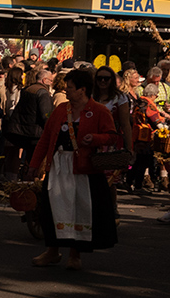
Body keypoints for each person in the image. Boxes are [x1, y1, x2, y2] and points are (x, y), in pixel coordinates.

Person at [29, 69, 119, 270]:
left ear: (82, 90)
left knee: (80, 210)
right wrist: (34, 165)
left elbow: (112, 136)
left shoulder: (99, 111)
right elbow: (45, 139)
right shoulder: (61, 110)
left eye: (70, 87)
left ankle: (75, 255)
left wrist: (95, 138)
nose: (66, 91)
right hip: (59, 168)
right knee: (53, 208)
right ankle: (52, 251)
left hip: (84, 170)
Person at [4, 68, 53, 179]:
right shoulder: (43, 93)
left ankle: (22, 179)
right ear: (44, 80)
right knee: (34, 161)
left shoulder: (28, 89)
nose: (51, 83)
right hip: (34, 132)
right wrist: (50, 129)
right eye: (50, 80)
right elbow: (46, 115)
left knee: (25, 159)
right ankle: (30, 182)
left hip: (21, 129)